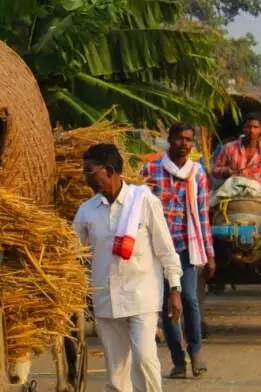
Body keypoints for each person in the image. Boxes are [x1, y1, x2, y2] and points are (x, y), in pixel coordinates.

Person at [73, 143, 183, 392]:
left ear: (109, 170)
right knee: (116, 371)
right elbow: (73, 251)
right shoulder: (86, 211)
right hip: (105, 299)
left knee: (144, 360)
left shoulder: (144, 202)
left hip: (141, 296)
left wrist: (175, 289)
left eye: (90, 172)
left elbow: (166, 250)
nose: (86, 179)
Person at [140, 123, 214, 378]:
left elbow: (202, 213)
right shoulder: (150, 170)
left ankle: (196, 352)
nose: (184, 144)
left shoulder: (197, 173)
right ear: (169, 140)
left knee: (190, 300)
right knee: (167, 306)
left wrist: (209, 252)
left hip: (186, 246)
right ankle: (178, 361)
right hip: (156, 249)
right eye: (180, 139)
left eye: (189, 140)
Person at [212, 114, 261, 218]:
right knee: (210, 202)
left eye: (255, 127)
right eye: (249, 127)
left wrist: (249, 178)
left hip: (256, 189)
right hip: (232, 186)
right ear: (244, 128)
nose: (252, 130)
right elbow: (215, 170)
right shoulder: (229, 148)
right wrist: (227, 171)